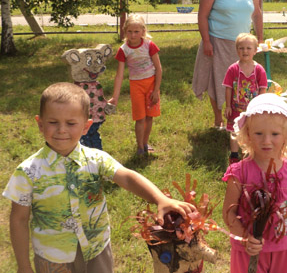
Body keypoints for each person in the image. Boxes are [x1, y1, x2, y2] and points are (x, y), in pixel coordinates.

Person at [3, 82, 196, 273]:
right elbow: (19, 220)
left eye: (71, 123)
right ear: (40, 124)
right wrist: (23, 265)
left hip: (97, 250)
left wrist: (160, 199)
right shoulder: (28, 171)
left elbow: (127, 177)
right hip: (52, 258)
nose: (62, 129)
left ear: (86, 127)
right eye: (53, 122)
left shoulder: (96, 159)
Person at [222, 93, 287, 273]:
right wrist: (244, 237)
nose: (266, 141)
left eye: (275, 134)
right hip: (247, 252)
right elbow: (228, 212)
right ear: (247, 134)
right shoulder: (239, 172)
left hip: (284, 251)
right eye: (259, 133)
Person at [192, 0, 264, 130]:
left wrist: (260, 39)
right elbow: (202, 15)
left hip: (243, 44)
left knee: (243, 81)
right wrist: (207, 41)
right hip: (217, 40)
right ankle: (219, 120)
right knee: (218, 80)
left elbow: (257, 14)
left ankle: (242, 118)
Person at [108, 14, 162, 155]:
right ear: (125, 32)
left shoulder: (149, 45)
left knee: (149, 117)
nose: (133, 35)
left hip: (151, 85)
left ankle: (145, 143)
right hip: (136, 86)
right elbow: (119, 75)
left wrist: (156, 90)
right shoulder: (123, 50)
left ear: (143, 31)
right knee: (140, 118)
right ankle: (139, 147)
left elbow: (159, 69)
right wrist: (115, 97)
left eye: (136, 31)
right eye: (130, 32)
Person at [223, 33, 268, 164]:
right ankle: (234, 155)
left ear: (255, 50)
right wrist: (228, 106)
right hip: (236, 108)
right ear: (237, 50)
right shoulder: (233, 69)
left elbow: (262, 88)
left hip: (252, 110)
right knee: (234, 131)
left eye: (248, 48)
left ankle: (248, 155)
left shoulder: (259, 69)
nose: (245, 51)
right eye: (241, 48)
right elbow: (228, 88)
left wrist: (260, 106)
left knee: (250, 132)